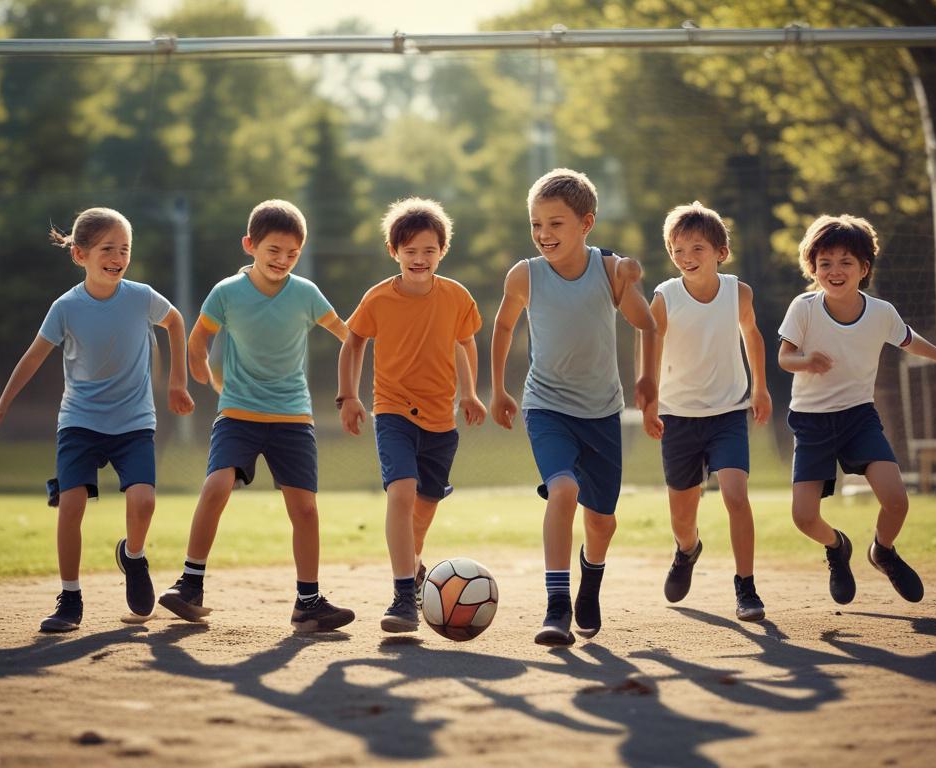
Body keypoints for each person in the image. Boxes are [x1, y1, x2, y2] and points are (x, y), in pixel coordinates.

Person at [0, 207, 194, 632]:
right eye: (108, 249)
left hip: (134, 422)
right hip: (79, 422)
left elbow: (174, 321)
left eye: (124, 249)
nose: (118, 257)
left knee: (143, 501)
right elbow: (33, 357)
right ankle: (70, 597)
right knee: (71, 505)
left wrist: (176, 381)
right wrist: (2, 405)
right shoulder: (66, 307)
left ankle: (132, 557)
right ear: (80, 254)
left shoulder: (141, 297)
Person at [157, 199, 354, 634]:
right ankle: (189, 585)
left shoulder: (305, 293)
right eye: (273, 251)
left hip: (293, 417)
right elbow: (197, 339)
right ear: (250, 245)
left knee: (304, 508)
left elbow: (347, 334)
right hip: (239, 413)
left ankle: (308, 602)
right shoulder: (227, 292)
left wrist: (354, 380)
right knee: (216, 485)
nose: (282, 261)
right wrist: (203, 376)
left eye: (292, 254)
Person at [490, 168, 656, 646]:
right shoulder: (526, 275)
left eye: (555, 223)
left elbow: (645, 323)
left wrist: (630, 285)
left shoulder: (608, 269)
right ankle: (556, 605)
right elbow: (502, 328)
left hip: (602, 411)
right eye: (536, 224)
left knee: (601, 520)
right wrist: (499, 389)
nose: (543, 234)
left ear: (587, 223)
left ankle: (591, 579)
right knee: (562, 489)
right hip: (546, 404)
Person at [778, 213, 936, 604]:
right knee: (803, 518)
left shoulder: (881, 312)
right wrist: (807, 361)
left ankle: (882, 550)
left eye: (845, 262)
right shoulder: (804, 308)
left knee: (897, 500)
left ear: (863, 268)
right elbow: (784, 358)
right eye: (825, 263)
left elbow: (911, 341)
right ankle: (837, 547)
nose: (835, 271)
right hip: (812, 423)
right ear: (813, 268)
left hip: (858, 418)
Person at [337, 197, 485, 633]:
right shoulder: (379, 298)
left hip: (442, 421)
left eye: (428, 250)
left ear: (442, 251)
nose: (419, 259)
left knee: (421, 514)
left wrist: (471, 394)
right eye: (410, 250)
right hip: (393, 411)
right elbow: (353, 341)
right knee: (400, 493)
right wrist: (348, 396)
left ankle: (415, 572)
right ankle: (404, 596)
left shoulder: (457, 296)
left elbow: (465, 343)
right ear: (393, 251)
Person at [643, 201, 772, 622]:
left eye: (696, 248)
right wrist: (649, 401)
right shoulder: (665, 296)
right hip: (678, 416)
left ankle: (746, 587)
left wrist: (761, 389)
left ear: (720, 251)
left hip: (728, 411)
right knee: (683, 516)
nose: (686, 258)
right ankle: (687, 550)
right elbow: (650, 347)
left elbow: (752, 337)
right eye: (677, 250)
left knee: (736, 494)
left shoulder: (740, 293)